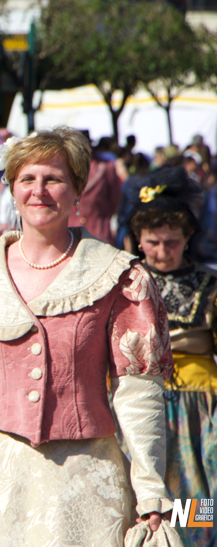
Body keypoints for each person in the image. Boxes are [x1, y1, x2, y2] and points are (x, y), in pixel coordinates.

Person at [0, 127, 174, 546]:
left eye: (53, 179)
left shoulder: (118, 276)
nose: (39, 191)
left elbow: (137, 393)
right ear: (12, 189)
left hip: (87, 486)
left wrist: (150, 492)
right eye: (27, 179)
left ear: (78, 191)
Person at [127, 167, 216, 547]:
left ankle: (195, 540)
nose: (162, 252)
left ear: (188, 237)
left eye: (172, 242)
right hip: (139, 402)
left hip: (199, 407)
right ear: (138, 239)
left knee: (195, 488)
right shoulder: (124, 285)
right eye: (153, 243)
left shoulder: (209, 286)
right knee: (143, 490)